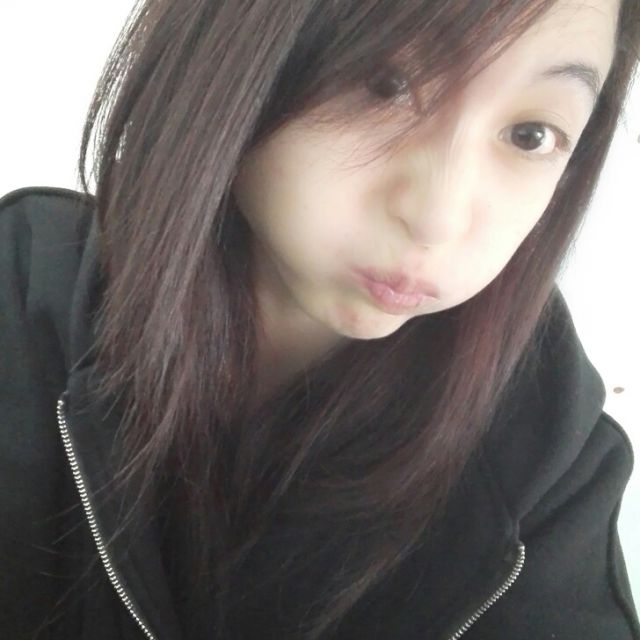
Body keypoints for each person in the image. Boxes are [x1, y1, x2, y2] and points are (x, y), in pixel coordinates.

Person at [1, 0, 639, 638]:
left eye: (530, 134)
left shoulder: (550, 456)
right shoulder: (21, 295)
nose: (438, 218)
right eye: (384, 85)